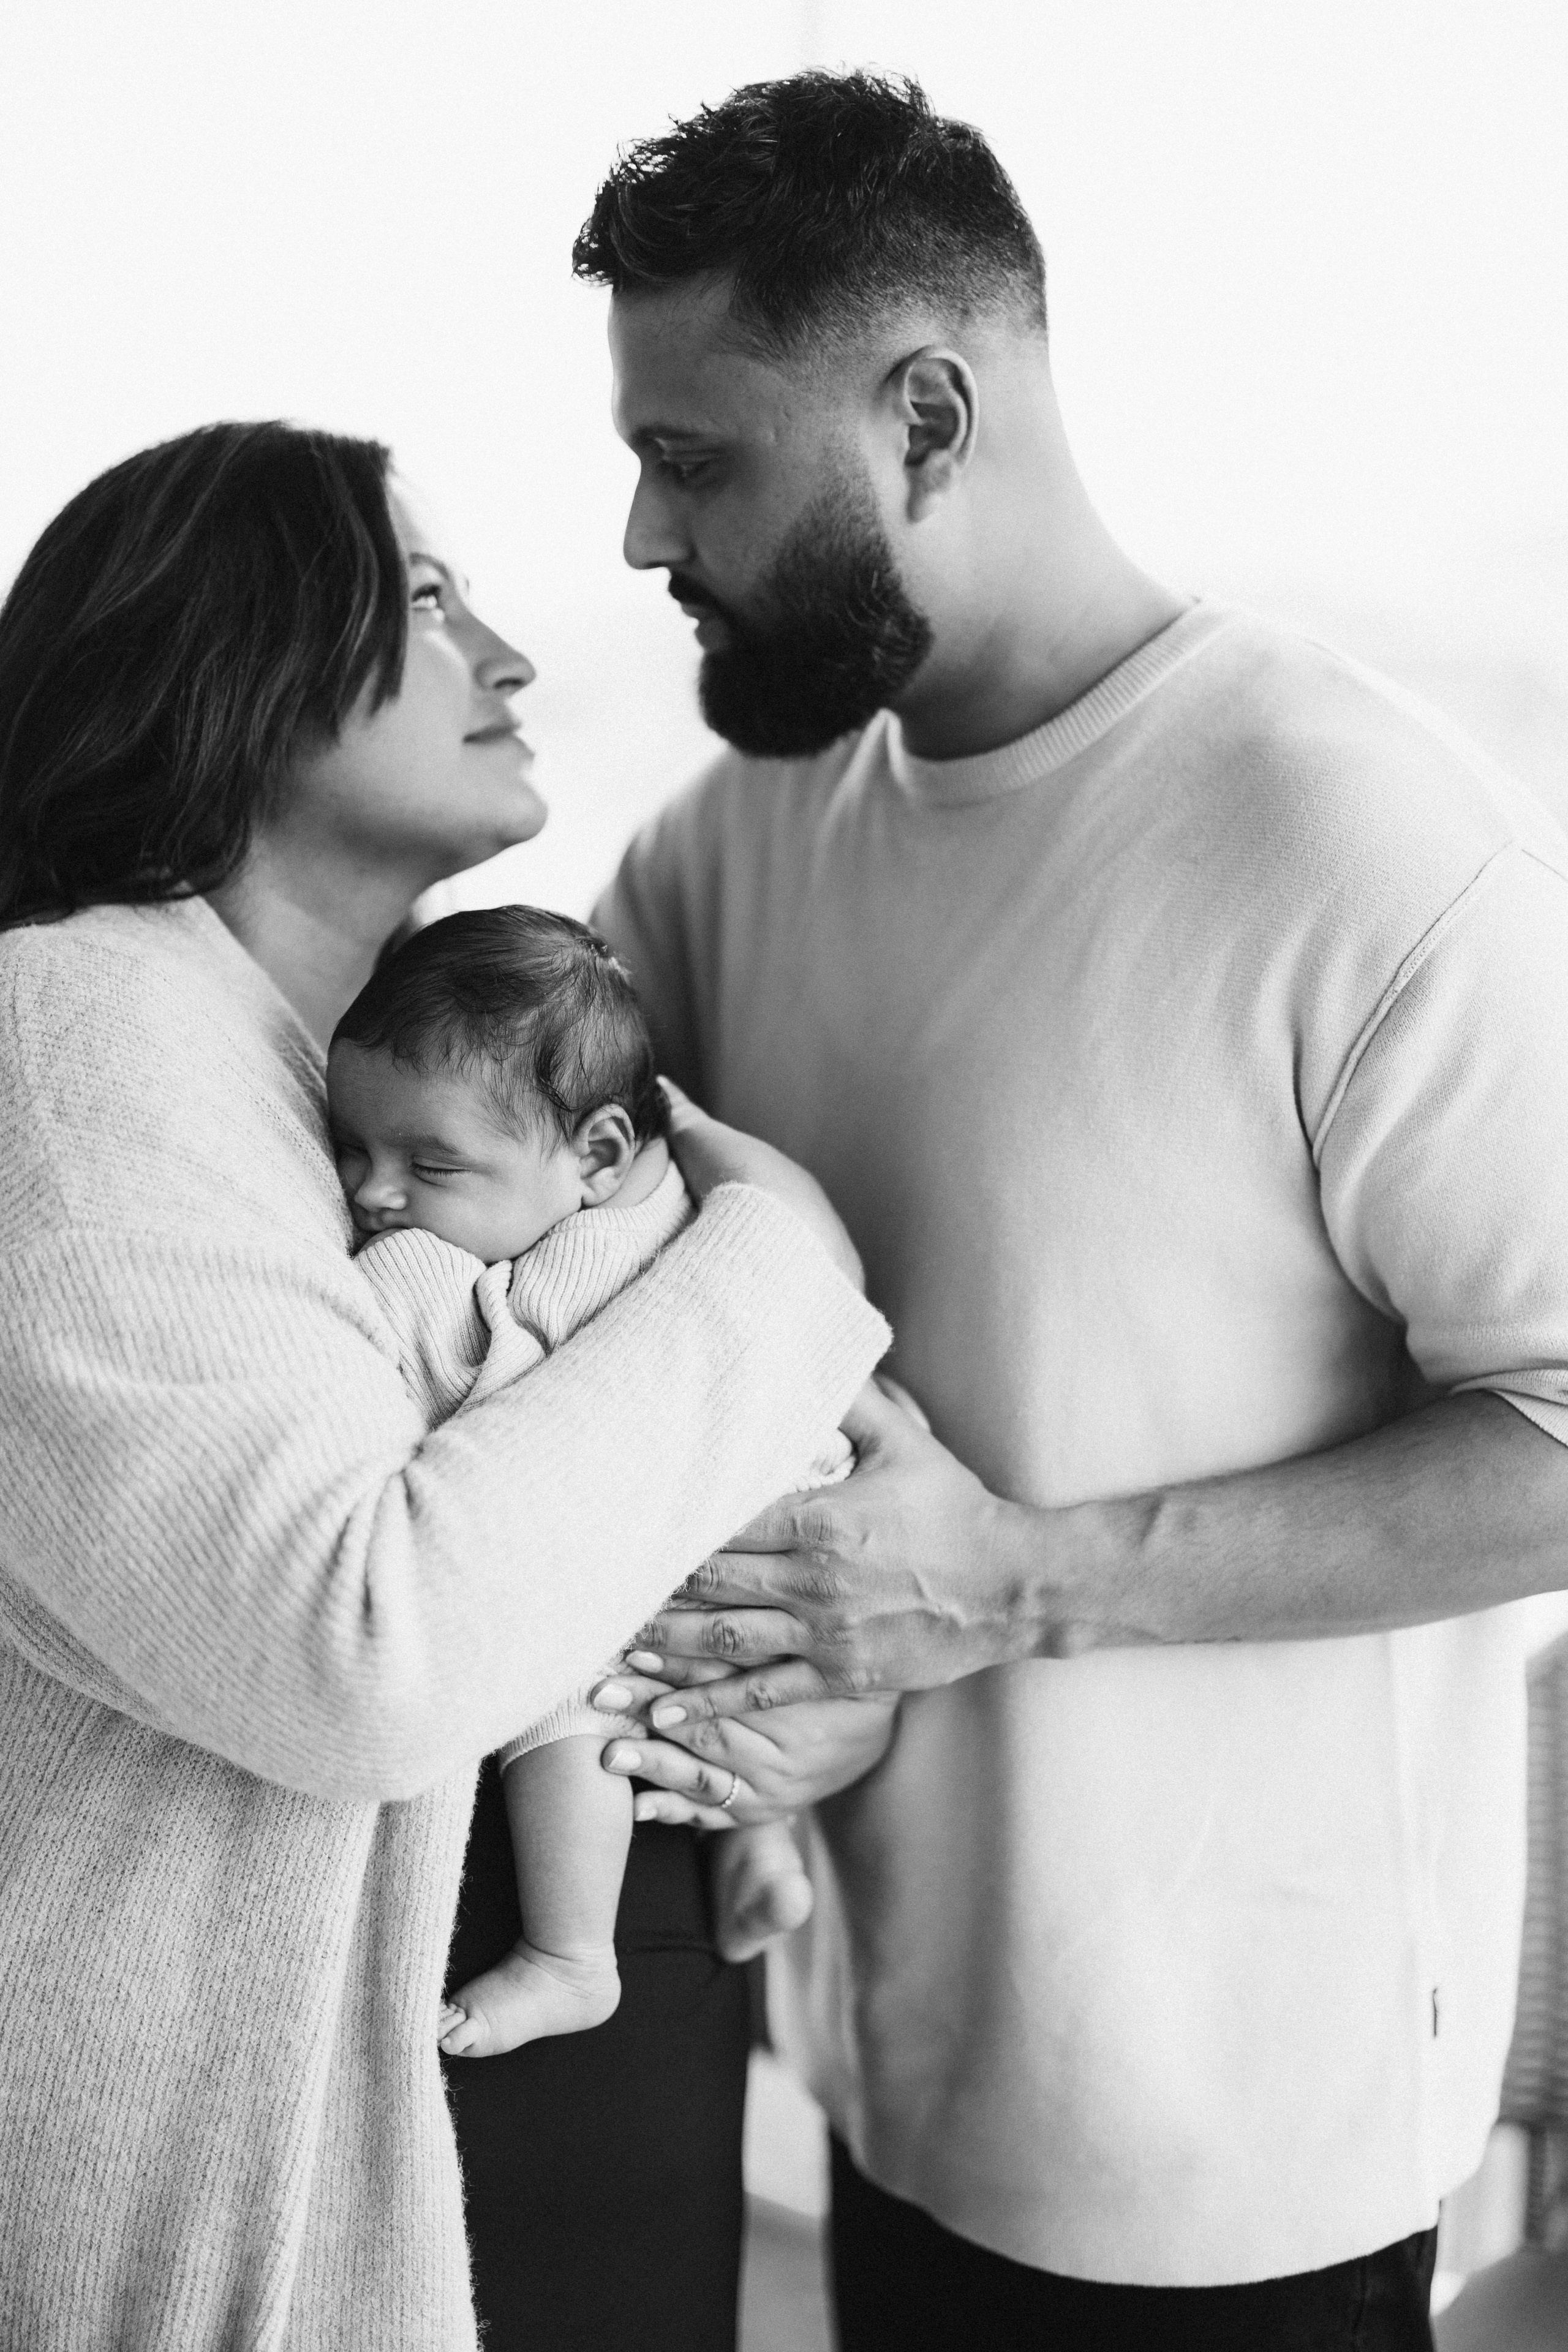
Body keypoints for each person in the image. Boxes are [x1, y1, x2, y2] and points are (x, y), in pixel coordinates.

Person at [567, 69, 1568, 2352]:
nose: (641, 537)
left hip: (1245, 2186)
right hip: (870, 2067)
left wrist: (1015, 1585)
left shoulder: (1370, 849)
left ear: (929, 414)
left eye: (694, 457)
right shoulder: (734, 846)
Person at [0, 420, 891, 2352]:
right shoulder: (79, 1037)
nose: (504, 653)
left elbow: (669, 1411)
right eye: (422, 598)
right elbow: (360, 1645)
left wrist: (805, 1695)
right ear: (221, 661)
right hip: (303, 2121)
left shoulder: (362, 1046)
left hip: (539, 2011)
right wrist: (786, 1260)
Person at [324, 905, 845, 2058]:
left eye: (430, 1165)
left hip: (742, 1517)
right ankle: (761, 1842)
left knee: (568, 1699)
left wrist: (403, 1291)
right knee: (710, 1710)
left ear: (598, 1152)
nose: (373, 1194)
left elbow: (511, 1409)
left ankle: (572, 1955)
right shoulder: (671, 1185)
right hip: (781, 1513)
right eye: (353, 1150)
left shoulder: (580, 1259)